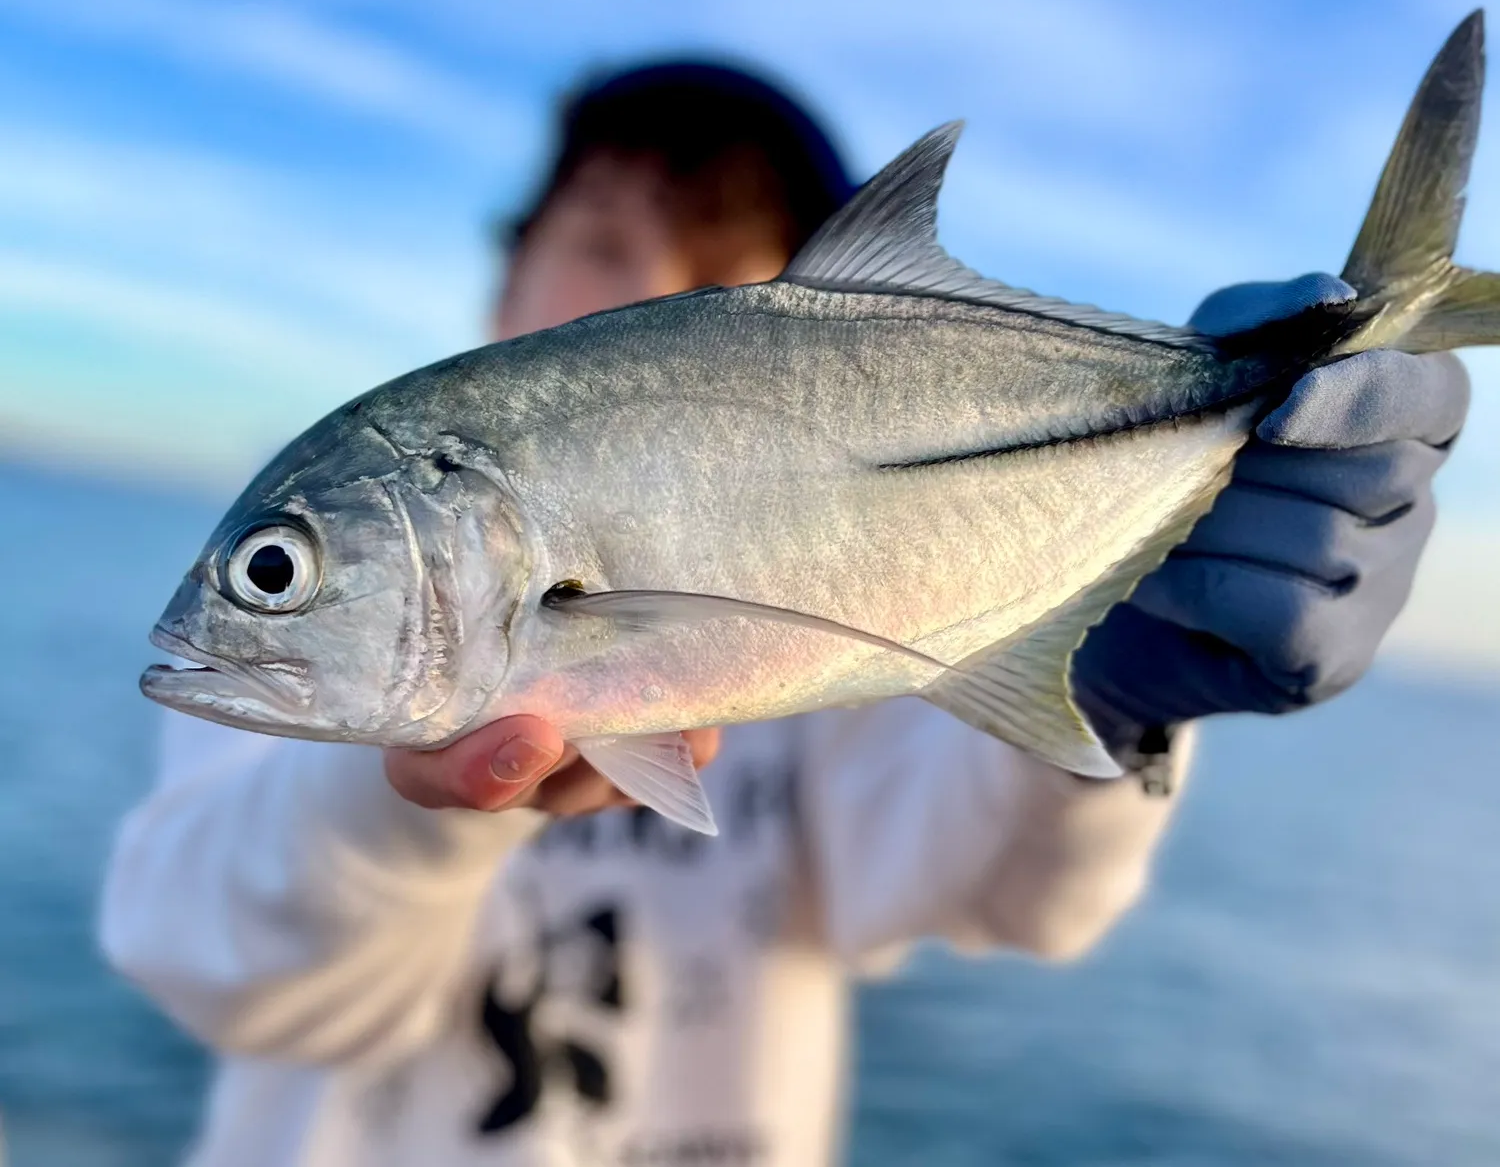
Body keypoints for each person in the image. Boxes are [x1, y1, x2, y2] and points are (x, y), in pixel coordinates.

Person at [102, 59, 1469, 1166]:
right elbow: (222, 973)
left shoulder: (834, 720)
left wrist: (1116, 698)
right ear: (509, 275)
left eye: (714, 271)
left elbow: (998, 895)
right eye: (604, 240)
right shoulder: (284, 710)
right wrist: (402, 805)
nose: (652, 296)